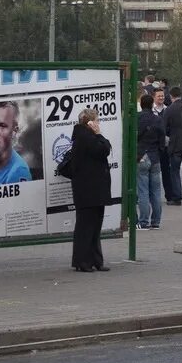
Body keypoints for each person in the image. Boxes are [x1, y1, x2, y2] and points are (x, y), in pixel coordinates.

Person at [69, 107, 112, 273]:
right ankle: (83, 261)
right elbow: (103, 150)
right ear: (90, 123)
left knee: (94, 225)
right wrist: (99, 133)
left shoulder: (84, 136)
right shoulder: (86, 137)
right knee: (86, 226)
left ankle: (94, 259)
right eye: (97, 120)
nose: (98, 123)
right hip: (88, 189)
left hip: (92, 189)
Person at [135, 94, 164, 230]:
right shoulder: (158, 119)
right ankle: (156, 221)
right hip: (155, 157)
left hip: (141, 156)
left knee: (143, 191)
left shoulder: (136, 118)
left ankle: (143, 221)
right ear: (152, 104)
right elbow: (162, 140)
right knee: (156, 191)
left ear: (141, 104)